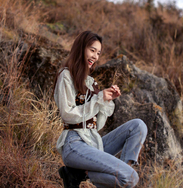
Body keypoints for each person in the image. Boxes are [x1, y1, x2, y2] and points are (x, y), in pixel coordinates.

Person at [53, 31, 147, 188]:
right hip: (74, 144)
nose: (95, 56)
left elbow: (97, 126)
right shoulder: (66, 76)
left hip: (93, 143)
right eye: (92, 50)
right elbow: (67, 115)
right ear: (80, 48)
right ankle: (86, 173)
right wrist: (98, 99)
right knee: (130, 178)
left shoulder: (90, 83)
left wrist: (106, 101)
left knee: (138, 126)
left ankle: (79, 174)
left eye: (98, 53)